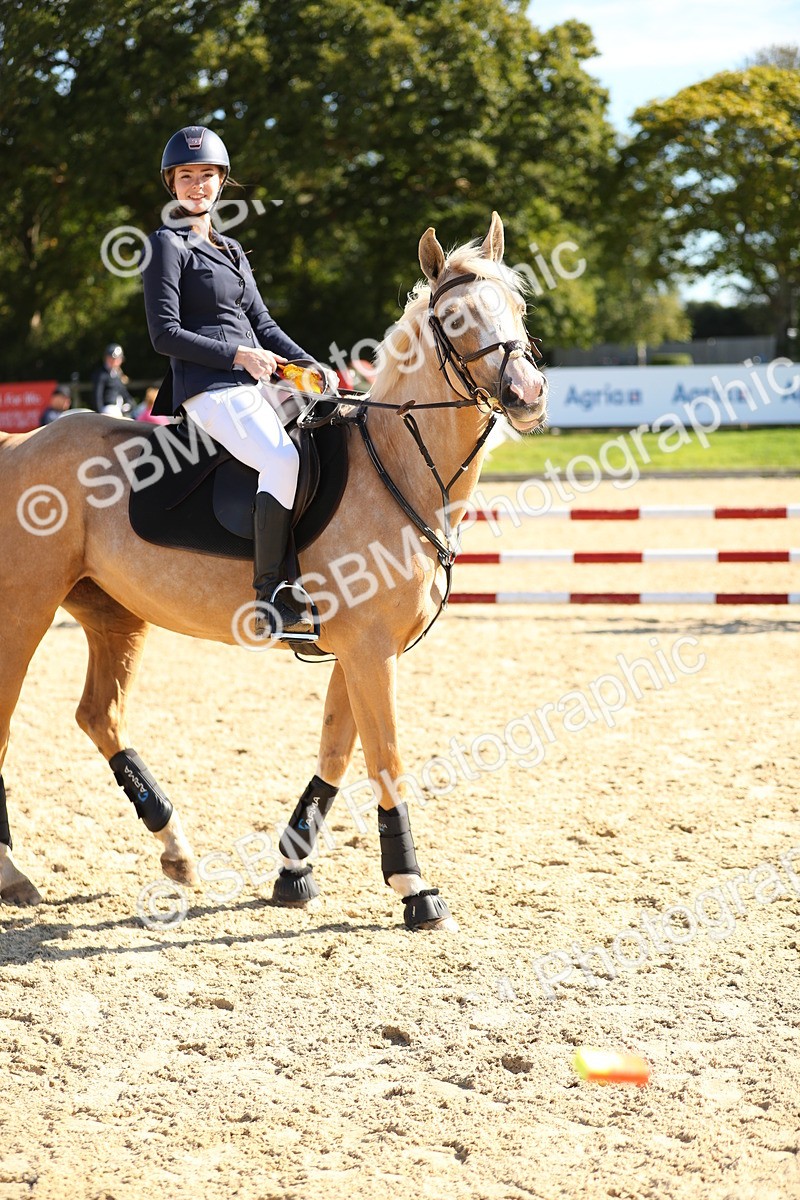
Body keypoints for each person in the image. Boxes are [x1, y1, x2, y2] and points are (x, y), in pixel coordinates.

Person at [141, 124, 328, 639]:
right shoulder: (166, 245)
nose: (196, 186)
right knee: (280, 458)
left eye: (206, 176)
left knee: (330, 432)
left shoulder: (232, 251)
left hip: (254, 386)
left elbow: (264, 325)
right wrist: (238, 354)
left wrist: (314, 367)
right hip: (208, 389)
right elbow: (165, 334)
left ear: (221, 182)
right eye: (186, 177)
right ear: (172, 184)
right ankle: (270, 594)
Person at [92, 344, 134, 417]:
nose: (116, 361)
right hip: (108, 409)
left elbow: (124, 394)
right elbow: (97, 396)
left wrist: (130, 404)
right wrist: (100, 413)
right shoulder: (101, 375)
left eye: (118, 359)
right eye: (113, 358)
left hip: (119, 409)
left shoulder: (117, 375)